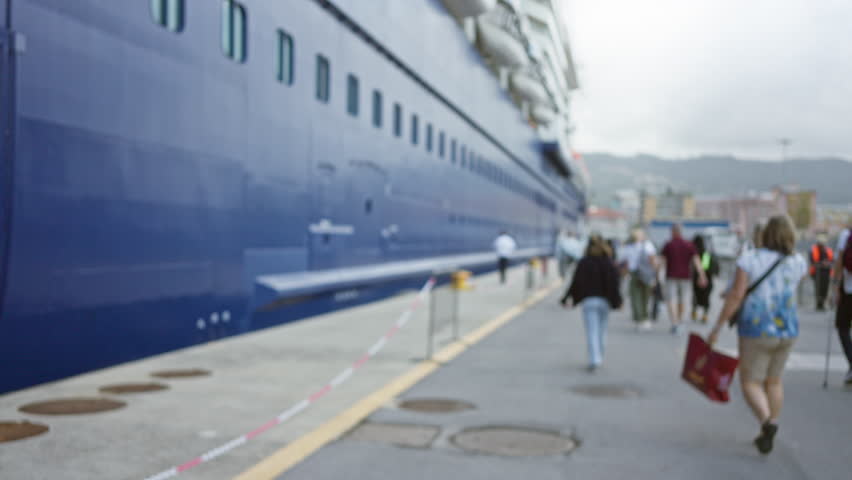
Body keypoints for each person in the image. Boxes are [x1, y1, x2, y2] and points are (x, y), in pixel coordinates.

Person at [708, 215, 807, 455]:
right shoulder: (798, 261)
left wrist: (717, 328)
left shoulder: (750, 260)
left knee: (750, 381)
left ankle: (767, 423)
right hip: (788, 328)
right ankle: (767, 429)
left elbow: (736, 296)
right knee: (774, 380)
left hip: (757, 328)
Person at [560, 234, 623, 372]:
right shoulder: (608, 263)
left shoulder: (584, 262)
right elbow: (615, 284)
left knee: (591, 331)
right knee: (602, 330)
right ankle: (599, 354)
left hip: (589, 301)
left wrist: (566, 298)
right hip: (605, 302)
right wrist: (618, 301)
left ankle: (594, 359)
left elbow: (575, 282)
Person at [660, 224, 707, 334]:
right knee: (683, 299)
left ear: (673, 232)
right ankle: (680, 321)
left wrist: (657, 275)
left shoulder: (668, 244)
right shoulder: (689, 245)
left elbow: (662, 261)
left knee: (671, 299)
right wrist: (702, 275)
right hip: (685, 277)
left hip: (671, 276)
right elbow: (696, 261)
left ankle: (674, 322)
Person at [617, 229, 657, 330]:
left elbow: (622, 261)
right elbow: (652, 260)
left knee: (635, 296)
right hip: (647, 274)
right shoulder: (648, 245)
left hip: (634, 273)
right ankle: (645, 317)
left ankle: (638, 318)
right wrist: (655, 274)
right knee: (645, 296)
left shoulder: (629, 247)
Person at [831, 227, 852, 385]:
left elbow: (839, 262)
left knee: (842, 327)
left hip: (848, 289)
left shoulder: (846, 234)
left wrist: (835, 287)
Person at [691, 235, 719, 324]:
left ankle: (695, 312)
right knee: (705, 297)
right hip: (707, 280)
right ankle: (704, 315)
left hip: (700, 279)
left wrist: (701, 277)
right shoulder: (705, 253)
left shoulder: (697, 254)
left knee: (696, 296)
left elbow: (704, 268)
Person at [809, 234, 834, 311]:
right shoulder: (813, 250)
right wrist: (821, 264)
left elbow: (832, 260)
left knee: (825, 288)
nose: (821, 245)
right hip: (816, 273)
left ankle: (822, 303)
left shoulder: (828, 250)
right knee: (818, 288)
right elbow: (812, 261)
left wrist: (827, 263)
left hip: (826, 273)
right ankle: (818, 303)